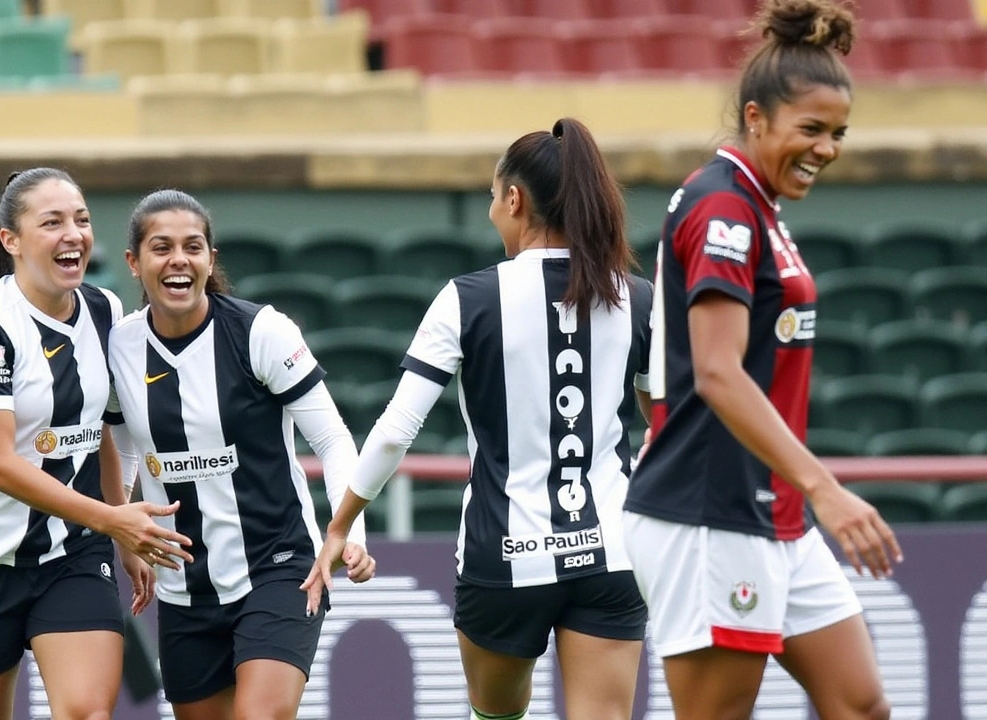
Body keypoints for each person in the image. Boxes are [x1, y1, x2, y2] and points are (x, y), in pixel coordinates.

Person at [304, 117, 652, 720]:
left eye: (494, 198)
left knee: (496, 716)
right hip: (613, 554)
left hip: (504, 558)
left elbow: (394, 432)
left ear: (514, 200)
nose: (494, 212)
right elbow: (667, 425)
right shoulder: (637, 297)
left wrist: (342, 524)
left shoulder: (468, 296)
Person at [622, 1, 905, 718]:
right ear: (755, 119)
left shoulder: (757, 207)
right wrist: (825, 489)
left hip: (766, 507)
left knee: (861, 704)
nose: (827, 148)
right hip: (708, 508)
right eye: (810, 129)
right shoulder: (723, 209)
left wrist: (800, 493)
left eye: (838, 133)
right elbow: (717, 373)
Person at [0, 167, 192, 720]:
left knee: (88, 712)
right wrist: (112, 519)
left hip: (73, 555)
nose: (74, 234)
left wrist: (119, 525)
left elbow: (105, 433)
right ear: (11, 241)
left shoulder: (105, 311)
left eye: (82, 219)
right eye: (53, 222)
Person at [104, 188, 377, 720]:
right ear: (134, 263)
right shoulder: (120, 347)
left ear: (211, 259)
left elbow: (334, 439)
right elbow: (118, 444)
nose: (178, 259)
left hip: (277, 569)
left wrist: (347, 533)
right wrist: (121, 530)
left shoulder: (262, 332)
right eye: (161, 248)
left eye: (193, 246)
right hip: (186, 586)